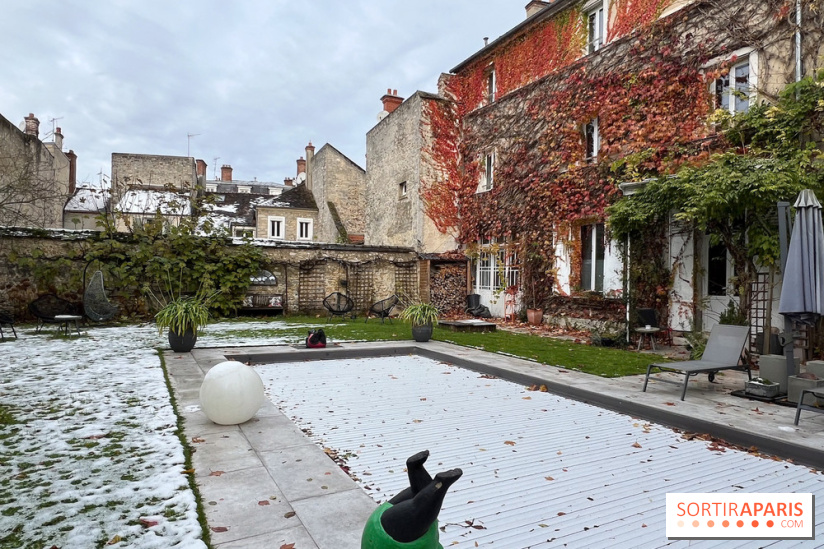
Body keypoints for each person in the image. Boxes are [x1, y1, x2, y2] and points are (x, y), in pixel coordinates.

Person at [361, 450, 462, 548]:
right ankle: (420, 471)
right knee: (419, 501)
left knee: (419, 507)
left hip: (387, 540)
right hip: (381, 527)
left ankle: (437, 483)